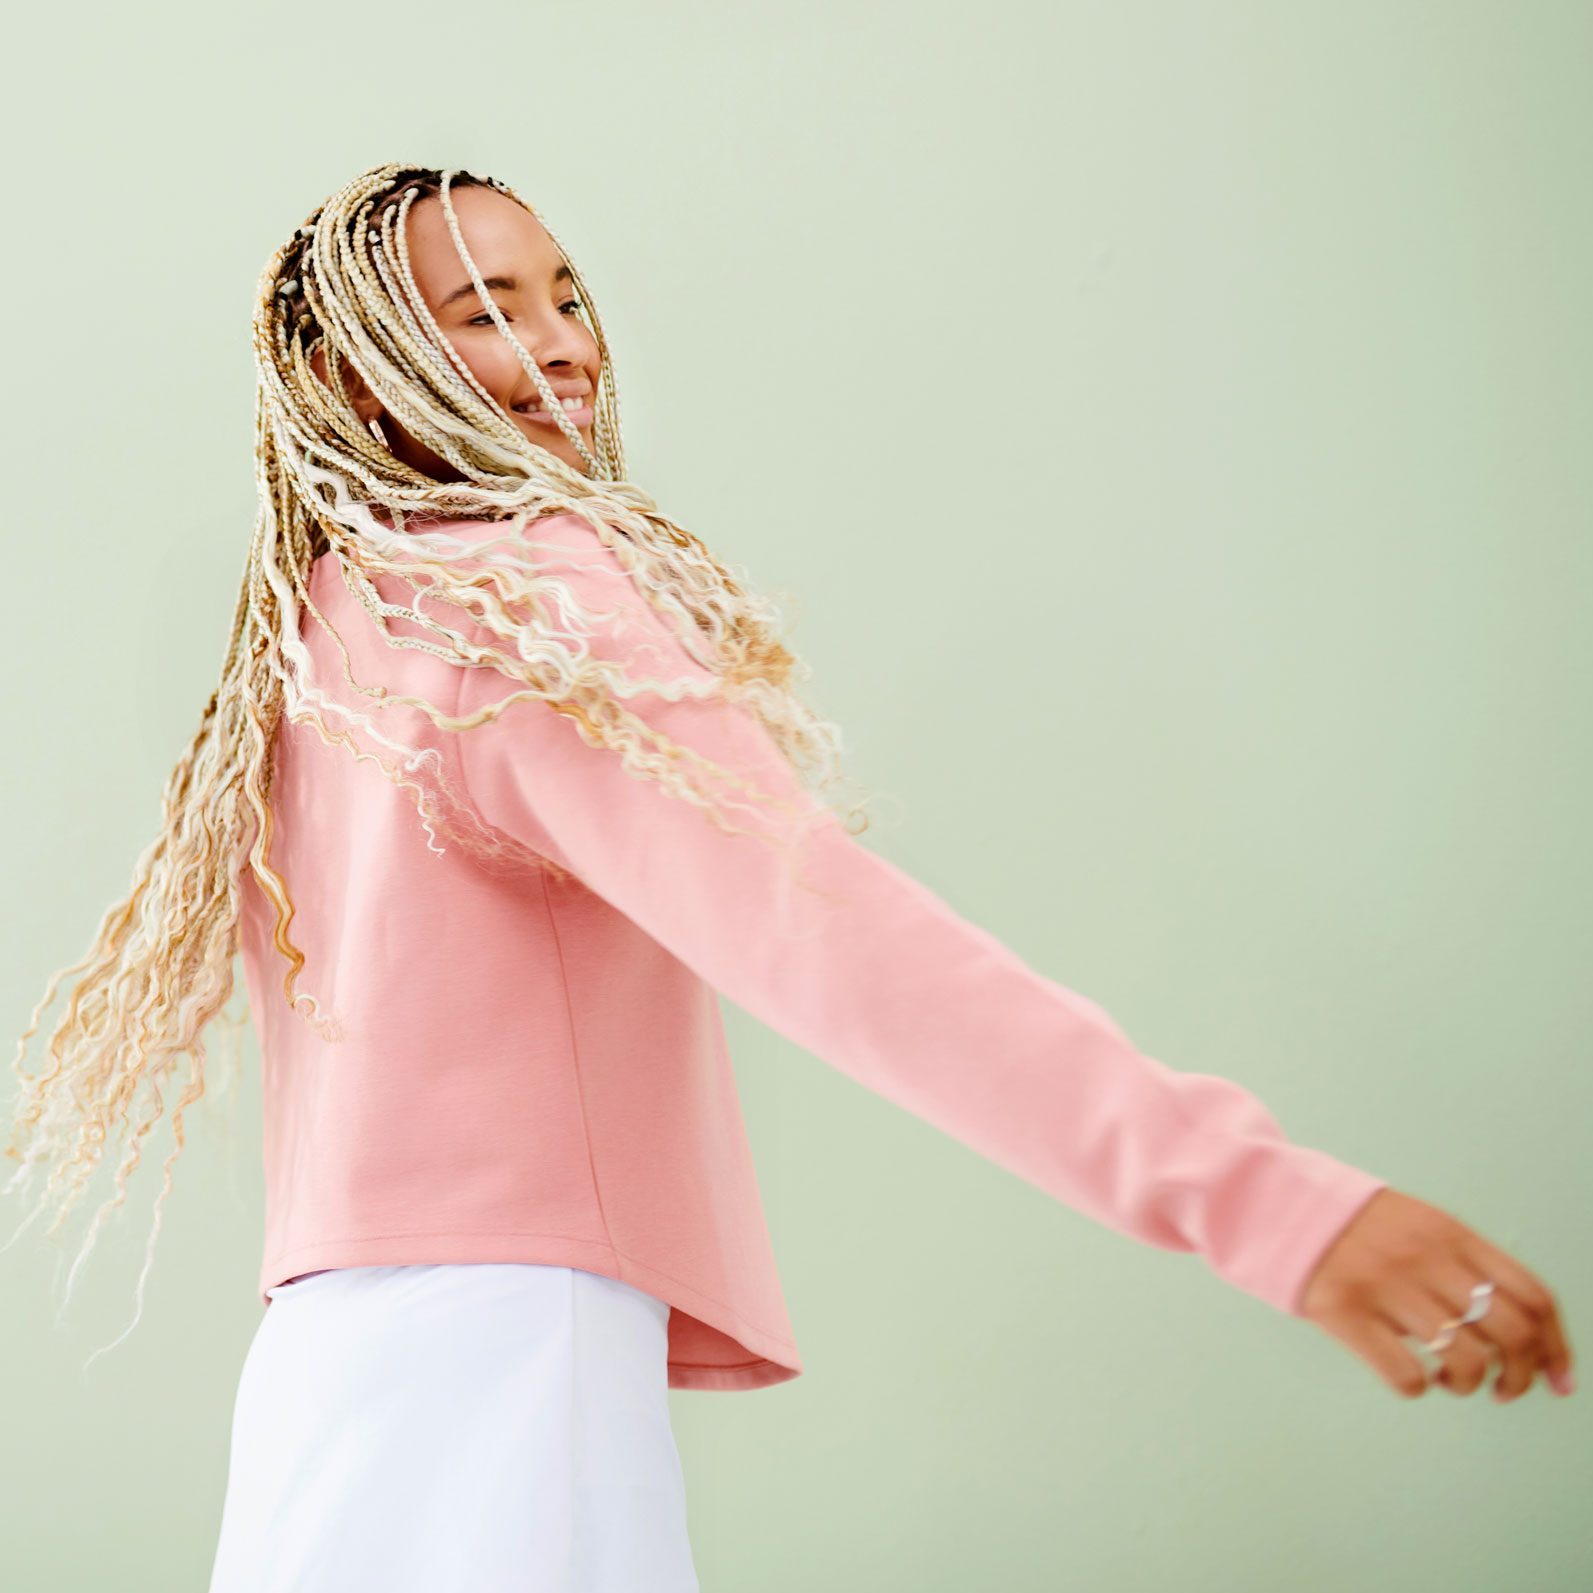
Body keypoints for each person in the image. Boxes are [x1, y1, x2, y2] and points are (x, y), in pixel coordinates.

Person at [2, 162, 1574, 1593]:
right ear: (349, 372)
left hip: (339, 1373)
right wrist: (1260, 1201)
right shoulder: (505, 600)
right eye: (482, 309)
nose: (559, 346)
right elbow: (825, 933)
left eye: (565, 297)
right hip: (497, 1368)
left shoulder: (332, 618)